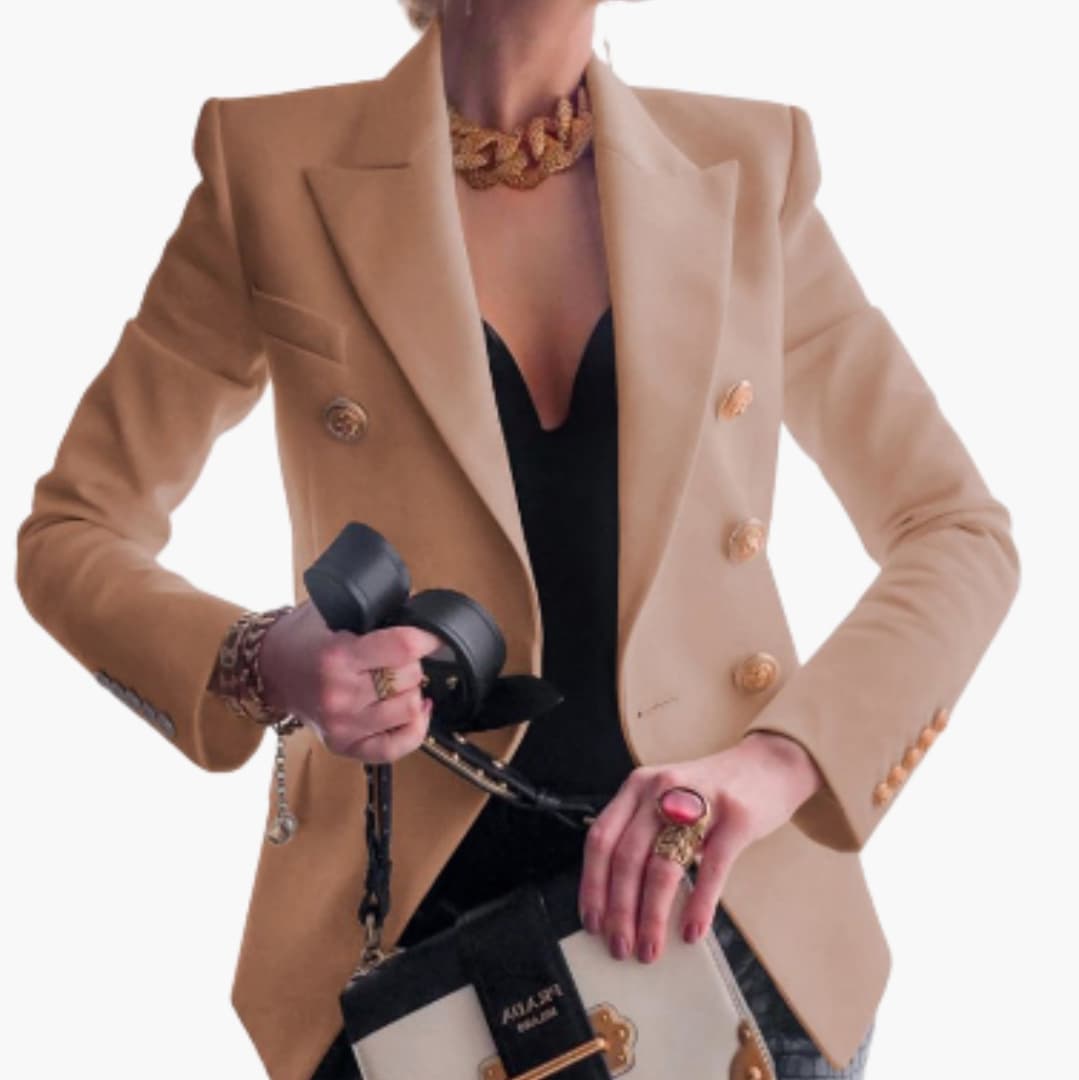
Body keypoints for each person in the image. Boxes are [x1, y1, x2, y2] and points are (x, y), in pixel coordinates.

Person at [14, 1, 1021, 1078]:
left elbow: (958, 530)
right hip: (403, 958)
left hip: (740, 935)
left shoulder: (746, 166)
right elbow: (73, 531)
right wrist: (271, 661)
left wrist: (777, 763)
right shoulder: (269, 168)